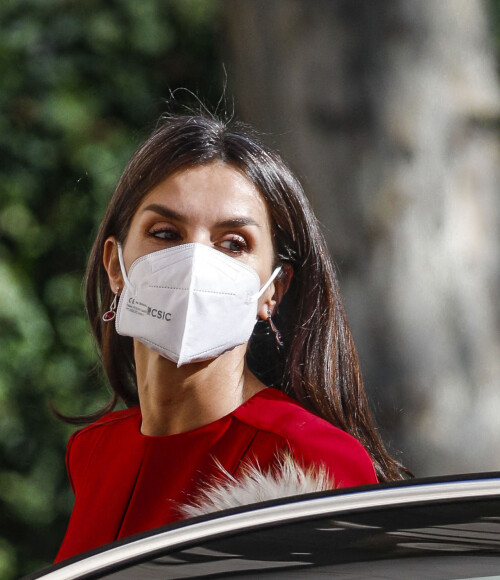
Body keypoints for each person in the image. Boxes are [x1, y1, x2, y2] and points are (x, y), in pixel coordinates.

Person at [55, 113, 408, 563]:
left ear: (272, 291)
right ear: (114, 266)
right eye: (166, 234)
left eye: (234, 243)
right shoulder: (94, 451)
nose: (195, 262)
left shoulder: (308, 461)